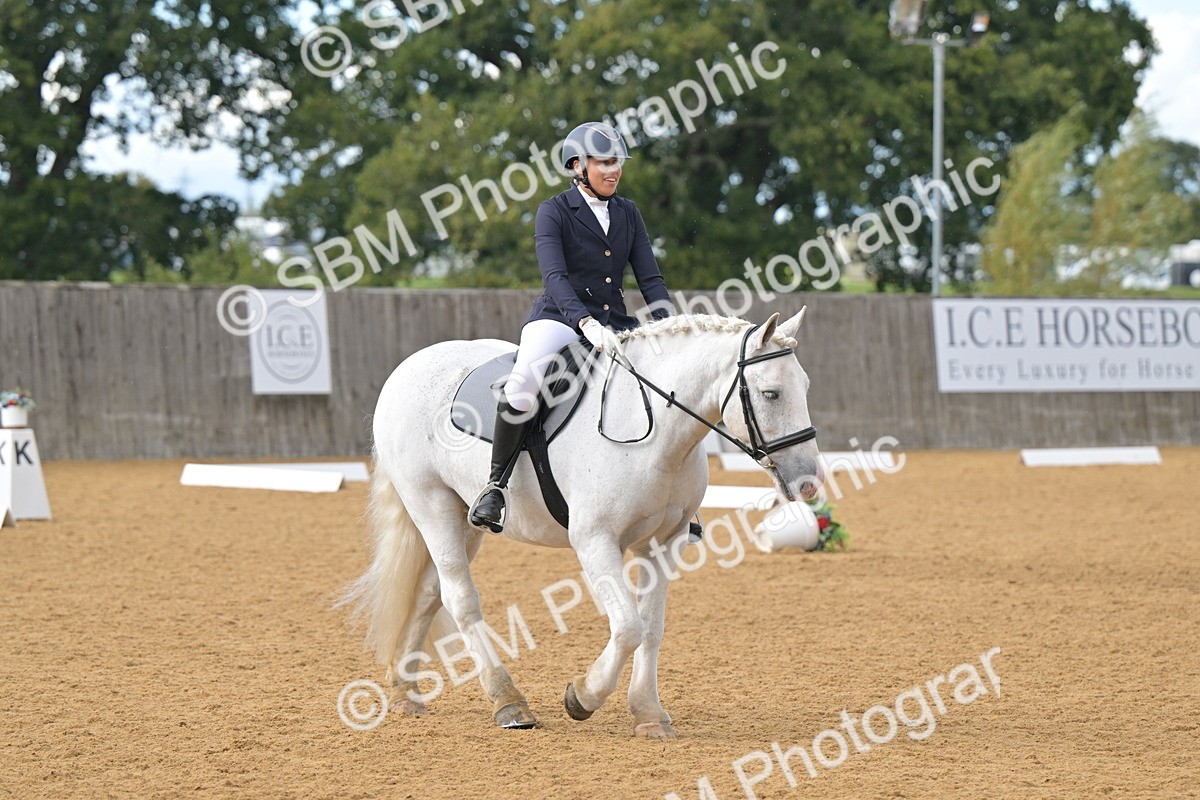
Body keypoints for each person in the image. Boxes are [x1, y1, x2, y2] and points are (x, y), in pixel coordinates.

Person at [468, 121, 676, 533]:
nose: (614, 170)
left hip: (615, 320)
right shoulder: (554, 211)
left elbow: (650, 278)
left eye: (617, 161)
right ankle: (495, 486)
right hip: (560, 319)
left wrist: (670, 328)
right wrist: (583, 320)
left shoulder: (628, 213)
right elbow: (555, 277)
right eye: (604, 162)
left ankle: (677, 501)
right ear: (577, 166)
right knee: (524, 383)